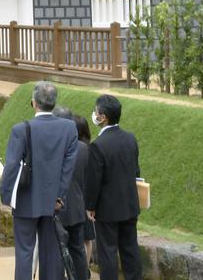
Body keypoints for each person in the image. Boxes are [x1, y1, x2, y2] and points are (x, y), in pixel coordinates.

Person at [0, 81, 78, 280]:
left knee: (24, 251)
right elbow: (68, 168)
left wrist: (7, 195)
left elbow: (11, 167)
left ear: (34, 103)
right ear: (54, 102)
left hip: (27, 198)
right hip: (54, 201)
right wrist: (59, 196)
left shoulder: (21, 129)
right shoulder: (69, 128)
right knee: (51, 254)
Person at [87, 95, 142, 280]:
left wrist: (90, 206)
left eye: (96, 111)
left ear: (103, 117)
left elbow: (94, 181)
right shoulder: (130, 139)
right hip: (130, 205)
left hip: (107, 210)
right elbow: (135, 171)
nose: (94, 115)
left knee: (108, 254)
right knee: (131, 250)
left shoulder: (98, 146)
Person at [53, 108, 92, 280]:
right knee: (78, 250)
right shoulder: (84, 148)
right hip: (77, 206)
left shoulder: (50, 148)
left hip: (55, 207)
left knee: (55, 252)